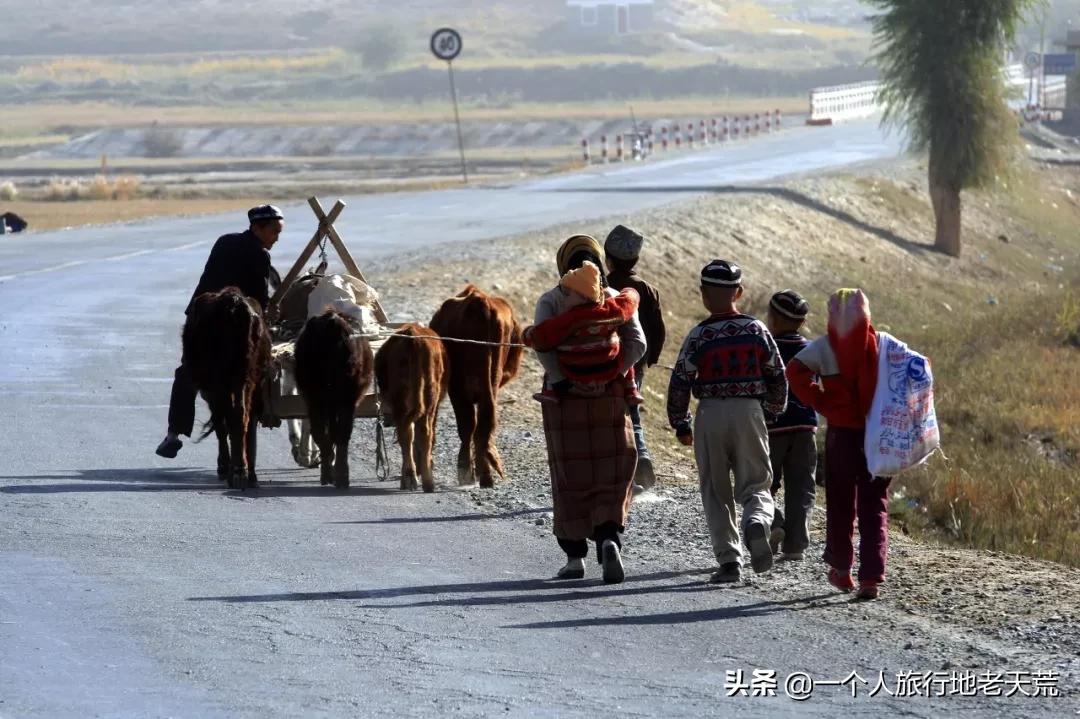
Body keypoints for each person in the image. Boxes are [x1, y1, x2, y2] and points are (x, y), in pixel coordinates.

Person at [534, 234, 647, 584]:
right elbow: (638, 343)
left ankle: (574, 558)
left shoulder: (551, 301)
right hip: (609, 396)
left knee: (569, 474)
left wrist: (565, 379)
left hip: (564, 400)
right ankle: (609, 538)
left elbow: (542, 345)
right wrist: (611, 373)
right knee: (613, 468)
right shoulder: (614, 300)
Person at [667, 260, 786, 584]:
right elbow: (777, 374)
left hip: (710, 414)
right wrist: (772, 412)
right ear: (740, 292)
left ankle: (730, 561)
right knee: (756, 483)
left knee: (715, 489)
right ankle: (757, 522)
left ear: (704, 295)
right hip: (749, 411)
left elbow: (680, 380)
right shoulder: (756, 329)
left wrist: (681, 423)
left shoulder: (699, 336)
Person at [155, 205, 285, 458]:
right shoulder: (259, 255)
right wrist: (269, 317)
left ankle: (173, 434)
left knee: (187, 372)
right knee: (255, 367)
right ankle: (260, 408)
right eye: (274, 232)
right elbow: (258, 299)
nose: (276, 238)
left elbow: (207, 281)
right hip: (234, 323)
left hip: (201, 318)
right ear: (257, 228)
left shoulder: (223, 242)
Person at [786, 289, 887, 600]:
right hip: (876, 437)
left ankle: (841, 571)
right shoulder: (883, 345)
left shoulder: (825, 347)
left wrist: (822, 402)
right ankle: (870, 578)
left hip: (841, 435)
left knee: (841, 504)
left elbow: (795, 371)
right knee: (875, 506)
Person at [526, 260, 643, 406]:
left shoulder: (569, 319)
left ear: (583, 297)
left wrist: (527, 334)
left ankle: (552, 391)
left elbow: (542, 337)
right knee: (621, 347)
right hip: (608, 374)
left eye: (569, 293)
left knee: (554, 355)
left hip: (574, 374)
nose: (565, 298)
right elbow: (629, 308)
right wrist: (630, 293)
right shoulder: (609, 311)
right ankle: (631, 388)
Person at [604, 225, 666, 491]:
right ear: (636, 259)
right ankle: (642, 456)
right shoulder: (647, 289)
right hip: (635, 362)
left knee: (608, 415)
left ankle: (623, 468)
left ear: (607, 259)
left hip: (603, 361)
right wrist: (649, 358)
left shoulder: (602, 286)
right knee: (631, 411)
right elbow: (659, 330)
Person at [764, 290, 818, 561]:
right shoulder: (812, 350)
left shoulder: (765, 347)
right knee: (802, 486)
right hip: (806, 427)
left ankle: (773, 523)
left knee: (764, 482)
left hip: (771, 428)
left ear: (772, 318)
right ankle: (796, 544)